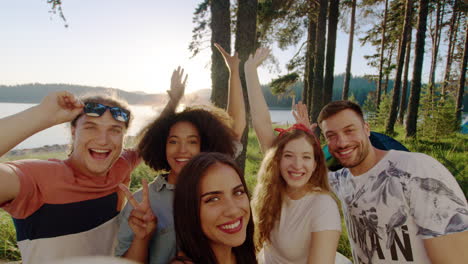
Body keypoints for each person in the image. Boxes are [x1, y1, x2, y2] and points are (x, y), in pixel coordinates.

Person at [115, 43, 247, 264]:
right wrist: (142, 237)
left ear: (205, 146)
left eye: (192, 142)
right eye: (173, 141)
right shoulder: (143, 202)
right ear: (161, 146)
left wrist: (234, 72)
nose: (182, 150)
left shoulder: (217, 184)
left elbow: (235, 126)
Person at [299, 99, 468, 263]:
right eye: (331, 136)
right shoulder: (342, 179)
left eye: (349, 130)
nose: (342, 142)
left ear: (366, 129)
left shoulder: (417, 169)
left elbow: (456, 258)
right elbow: (304, 172)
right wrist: (306, 139)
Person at [0, 90, 140, 263]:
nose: (103, 140)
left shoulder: (122, 164)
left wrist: (172, 102)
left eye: (115, 130)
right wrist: (42, 115)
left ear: (123, 137)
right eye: (90, 127)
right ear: (74, 131)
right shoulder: (38, 178)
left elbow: (151, 140)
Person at [244, 47, 345, 264]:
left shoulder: (322, 207)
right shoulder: (273, 192)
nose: (297, 165)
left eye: (307, 157)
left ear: (316, 163)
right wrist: (250, 71)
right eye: (289, 155)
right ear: (277, 159)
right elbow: (262, 122)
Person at [170, 152, 257, 264]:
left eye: (238, 192)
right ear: (189, 210)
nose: (233, 211)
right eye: (213, 199)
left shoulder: (241, 254)